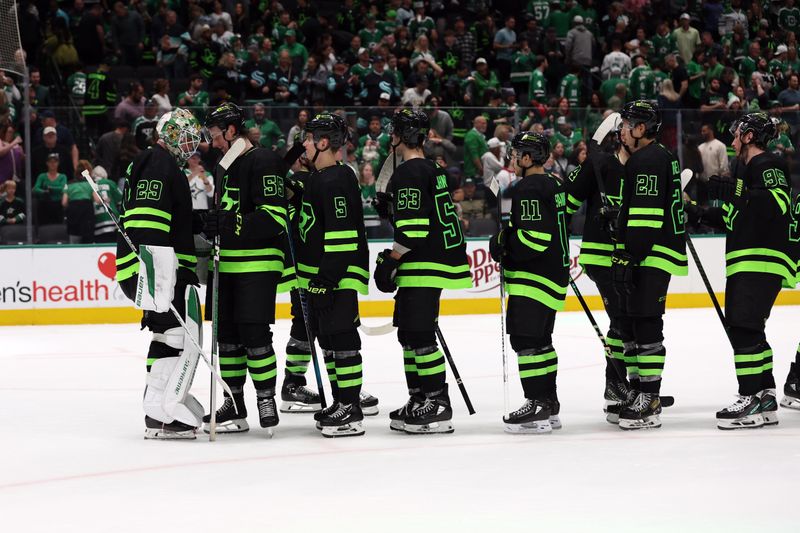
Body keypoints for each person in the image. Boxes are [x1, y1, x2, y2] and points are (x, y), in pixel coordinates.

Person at [373, 109, 471, 434]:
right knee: (408, 333)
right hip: (431, 261)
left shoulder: (408, 173)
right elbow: (420, 216)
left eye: (394, 132)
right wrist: (392, 213)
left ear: (401, 135)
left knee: (419, 334)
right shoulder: (433, 169)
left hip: (422, 265)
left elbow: (413, 231)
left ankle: (437, 402)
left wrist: (391, 258)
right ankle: (419, 399)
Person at [695, 114, 794, 429]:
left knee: (742, 327)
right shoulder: (746, 171)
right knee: (751, 329)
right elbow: (729, 217)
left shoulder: (768, 164)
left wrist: (738, 191)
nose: (733, 141)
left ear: (750, 137)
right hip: (749, 260)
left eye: (737, 135)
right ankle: (764, 397)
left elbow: (778, 203)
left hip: (760, 259)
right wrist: (691, 211)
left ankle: (749, 398)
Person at [200, 103, 290, 436]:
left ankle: (265, 399)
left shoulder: (263, 160)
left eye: (215, 135)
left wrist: (230, 222)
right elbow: (227, 216)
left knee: (254, 337)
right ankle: (234, 403)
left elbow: (275, 218)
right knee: (227, 340)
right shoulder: (224, 166)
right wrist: (213, 224)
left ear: (232, 131)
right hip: (225, 265)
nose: (213, 142)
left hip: (257, 265)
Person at [114, 108, 204, 439]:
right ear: (169, 135)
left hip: (154, 268)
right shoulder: (157, 162)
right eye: (185, 136)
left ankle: (157, 406)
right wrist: (157, 280)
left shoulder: (157, 163)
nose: (190, 144)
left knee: (165, 335)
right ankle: (161, 412)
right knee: (175, 336)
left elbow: (163, 217)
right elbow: (147, 224)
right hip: (155, 270)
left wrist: (194, 222)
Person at [609, 101, 688, 430]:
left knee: (646, 323)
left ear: (642, 129)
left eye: (627, 124)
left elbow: (646, 214)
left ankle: (649, 397)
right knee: (637, 322)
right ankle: (642, 391)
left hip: (650, 253)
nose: (623, 130)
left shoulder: (647, 159)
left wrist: (630, 253)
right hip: (653, 251)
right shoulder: (659, 157)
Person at [488, 131, 569, 433]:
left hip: (532, 279)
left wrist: (504, 245)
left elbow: (535, 238)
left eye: (516, 152)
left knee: (526, 341)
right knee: (542, 341)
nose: (512, 157)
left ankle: (536, 405)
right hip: (551, 276)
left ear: (528, 158)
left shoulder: (529, 187)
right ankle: (549, 404)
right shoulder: (554, 185)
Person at [296, 112, 370, 438]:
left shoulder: (337, 179)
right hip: (323, 277)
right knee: (328, 340)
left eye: (309, 138)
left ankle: (351, 409)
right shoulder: (319, 177)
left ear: (323, 143)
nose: (304, 143)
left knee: (342, 339)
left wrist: (326, 280)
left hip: (337, 276)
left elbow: (342, 236)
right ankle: (341, 401)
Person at [564, 113, 633, 414]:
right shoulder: (600, 164)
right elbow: (567, 200)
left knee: (629, 318)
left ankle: (625, 383)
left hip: (629, 255)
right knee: (620, 316)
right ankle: (615, 384)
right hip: (601, 255)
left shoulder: (644, 167)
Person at [33, 153, 67, 225]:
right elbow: (36, 188)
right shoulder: (42, 176)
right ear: (47, 163)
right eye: (50, 162)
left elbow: (63, 188)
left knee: (58, 225)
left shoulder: (62, 176)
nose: (53, 164)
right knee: (43, 225)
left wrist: (50, 188)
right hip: (44, 204)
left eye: (55, 162)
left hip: (58, 205)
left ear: (58, 163)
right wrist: (44, 192)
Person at [62, 174, 95, 243]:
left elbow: (64, 202)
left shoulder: (69, 184)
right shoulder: (90, 183)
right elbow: (97, 199)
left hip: (73, 213)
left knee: (74, 242)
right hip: (87, 214)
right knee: (88, 241)